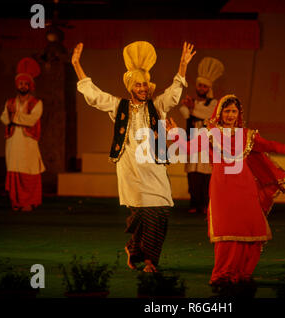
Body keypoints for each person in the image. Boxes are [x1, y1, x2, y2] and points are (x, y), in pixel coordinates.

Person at [72, 41, 196, 272]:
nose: (142, 88)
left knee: (160, 213)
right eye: (138, 85)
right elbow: (94, 95)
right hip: (131, 169)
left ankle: (134, 247)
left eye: (145, 84)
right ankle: (150, 261)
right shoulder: (119, 107)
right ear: (130, 87)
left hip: (155, 169)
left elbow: (174, 92)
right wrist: (77, 65)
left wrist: (182, 65)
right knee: (144, 213)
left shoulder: (157, 106)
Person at [167, 94, 285, 286]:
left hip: (245, 186)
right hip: (222, 187)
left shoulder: (247, 135)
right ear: (220, 112)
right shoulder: (210, 133)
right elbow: (187, 148)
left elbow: (270, 145)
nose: (231, 115)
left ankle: (242, 271)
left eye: (234, 111)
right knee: (226, 231)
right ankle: (222, 273)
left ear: (239, 114)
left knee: (251, 229)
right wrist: (174, 134)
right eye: (227, 111)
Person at [0, 57, 45, 212]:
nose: (23, 86)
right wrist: (13, 118)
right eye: (21, 83)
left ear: (30, 86)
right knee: (14, 171)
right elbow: (4, 118)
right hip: (13, 142)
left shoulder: (36, 103)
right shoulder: (9, 102)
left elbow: (31, 120)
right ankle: (16, 202)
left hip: (28, 142)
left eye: (26, 84)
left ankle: (29, 202)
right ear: (17, 85)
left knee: (29, 171)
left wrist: (15, 118)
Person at [179, 57, 224, 214]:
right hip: (192, 142)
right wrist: (190, 109)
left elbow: (208, 114)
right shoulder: (192, 102)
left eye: (205, 86)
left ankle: (205, 205)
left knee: (206, 176)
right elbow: (184, 112)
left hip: (207, 144)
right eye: (200, 85)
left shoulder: (213, 103)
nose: (202, 88)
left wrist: (192, 109)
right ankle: (194, 204)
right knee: (193, 175)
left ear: (208, 88)